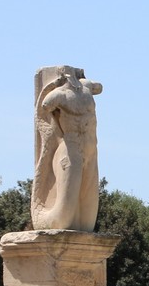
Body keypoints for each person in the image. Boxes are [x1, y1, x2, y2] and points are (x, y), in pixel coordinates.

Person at [32, 68, 103, 231]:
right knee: (63, 219)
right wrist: (54, 85)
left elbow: (99, 87)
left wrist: (84, 81)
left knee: (87, 224)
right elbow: (45, 105)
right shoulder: (59, 95)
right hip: (71, 151)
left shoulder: (86, 88)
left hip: (91, 151)